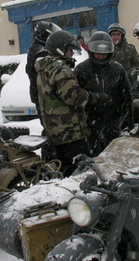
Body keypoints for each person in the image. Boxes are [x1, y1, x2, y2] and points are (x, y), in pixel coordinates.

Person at [35, 29, 95, 175]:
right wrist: (93, 97)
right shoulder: (59, 68)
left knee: (62, 174)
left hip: (55, 132)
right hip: (70, 134)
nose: (72, 53)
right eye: (69, 50)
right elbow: (73, 96)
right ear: (60, 49)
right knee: (82, 174)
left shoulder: (45, 68)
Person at [74, 31, 133, 156]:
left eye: (104, 54)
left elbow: (127, 97)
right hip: (89, 123)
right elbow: (74, 96)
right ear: (91, 52)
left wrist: (129, 122)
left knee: (114, 155)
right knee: (92, 157)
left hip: (113, 122)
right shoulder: (81, 70)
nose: (101, 57)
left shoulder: (118, 69)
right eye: (98, 53)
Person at [26, 21, 61, 118]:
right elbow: (50, 71)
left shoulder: (36, 48)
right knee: (50, 121)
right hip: (44, 93)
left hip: (40, 92)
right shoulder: (41, 51)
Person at [108, 23, 139, 90]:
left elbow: (138, 66)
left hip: (128, 85)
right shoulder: (106, 50)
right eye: (113, 34)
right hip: (111, 86)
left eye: (118, 34)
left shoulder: (130, 49)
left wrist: (128, 74)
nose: (116, 37)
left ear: (122, 36)